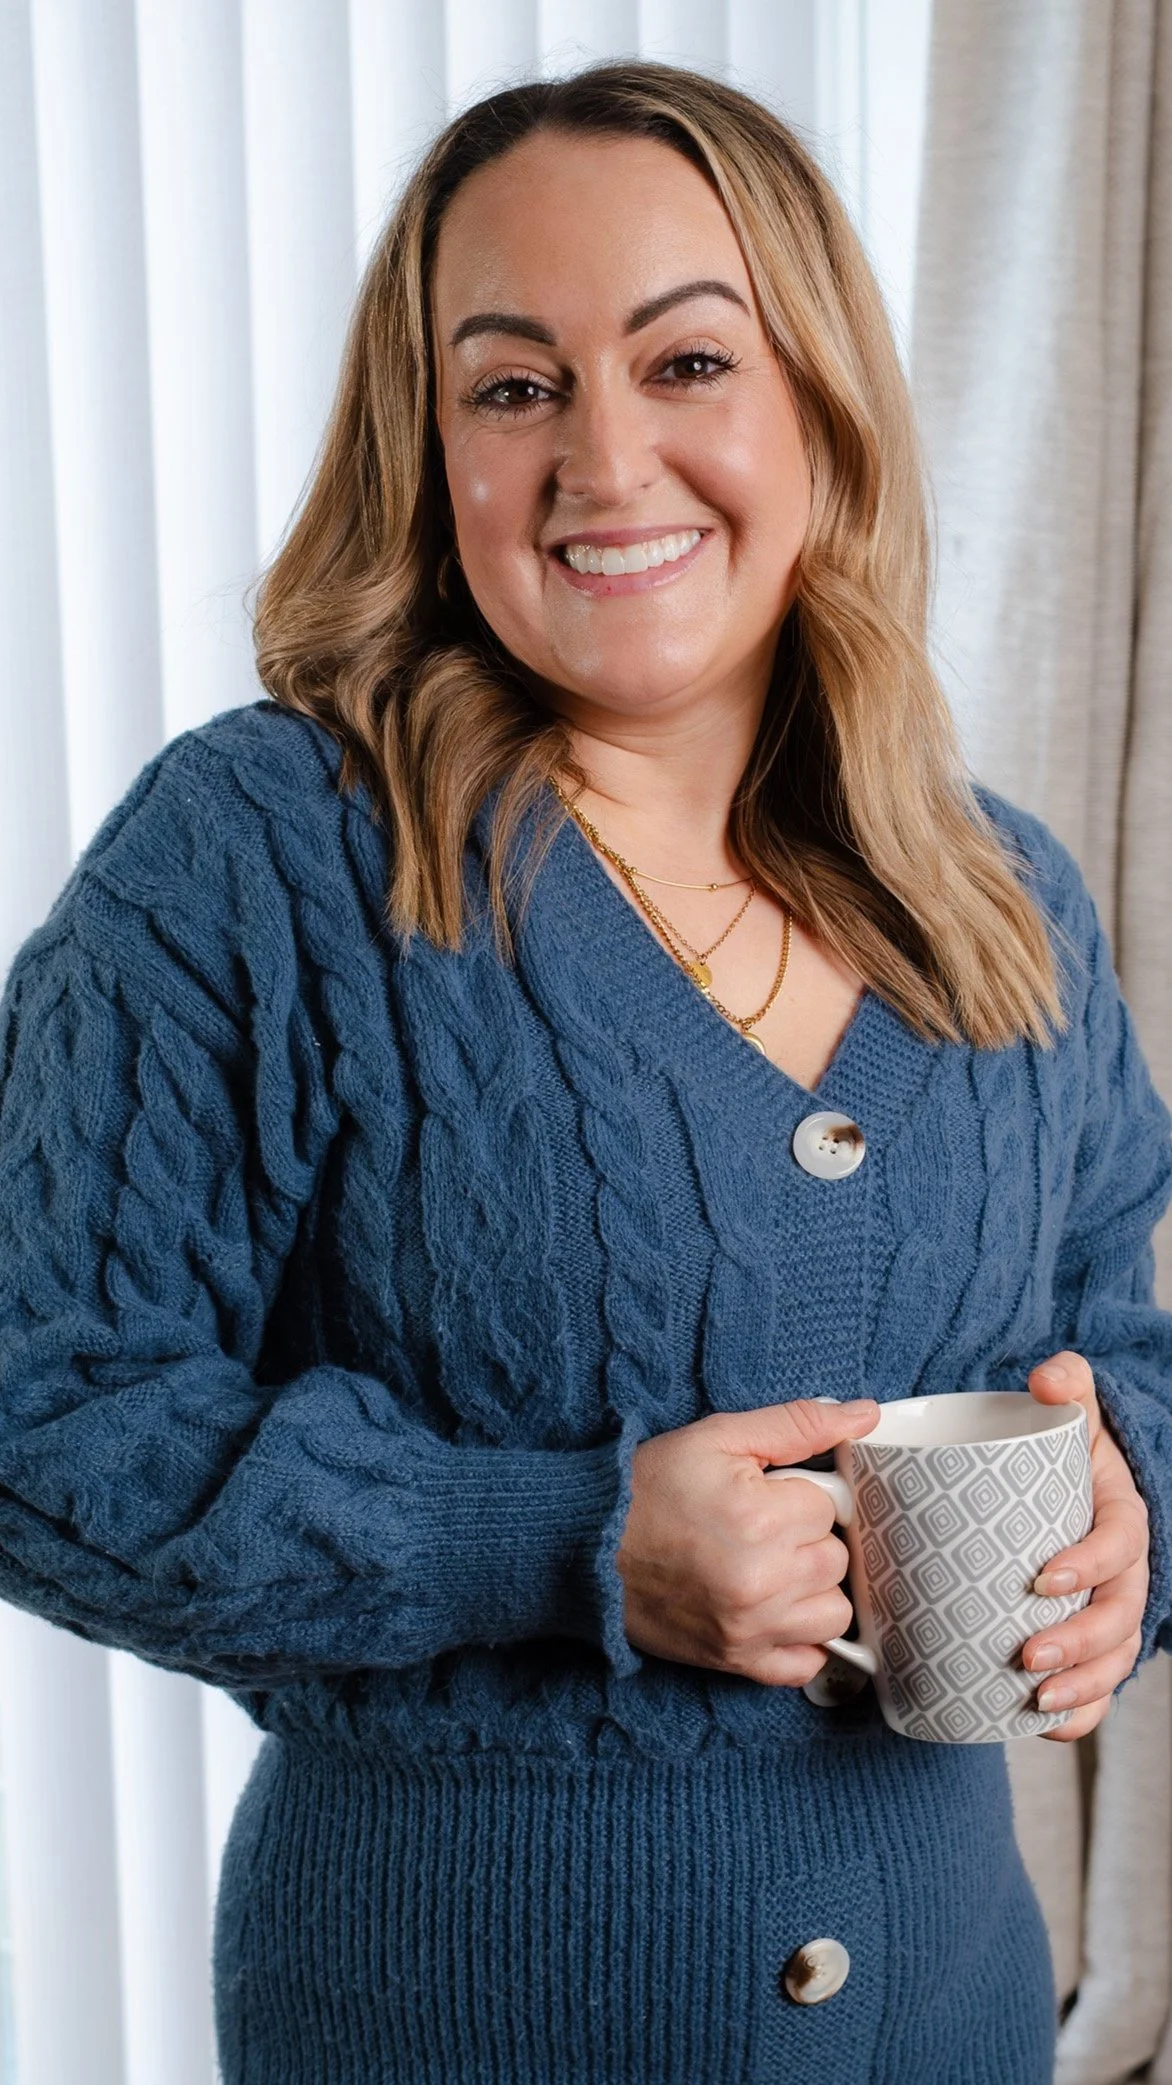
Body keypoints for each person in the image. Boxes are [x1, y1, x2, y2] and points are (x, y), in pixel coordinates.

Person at [0, 57, 1168, 2085]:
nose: (603, 459)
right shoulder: (258, 861)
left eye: (686, 360)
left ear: (815, 400)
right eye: (514, 385)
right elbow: (39, 1410)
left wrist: (1135, 1501)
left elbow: (1114, 1326)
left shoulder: (1001, 898)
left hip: (957, 2013)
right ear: (426, 448)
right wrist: (558, 1539)